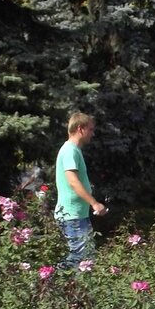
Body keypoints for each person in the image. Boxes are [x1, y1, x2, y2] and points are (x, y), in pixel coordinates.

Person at [54, 112, 107, 269]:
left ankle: (67, 287)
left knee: (87, 256)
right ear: (80, 129)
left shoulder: (74, 150)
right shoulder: (70, 150)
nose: (93, 133)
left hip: (77, 214)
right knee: (80, 258)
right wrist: (94, 203)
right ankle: (47, 280)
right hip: (71, 215)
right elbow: (73, 182)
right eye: (90, 129)